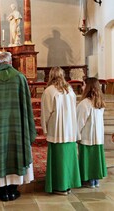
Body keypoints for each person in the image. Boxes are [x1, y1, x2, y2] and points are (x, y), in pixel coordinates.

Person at [0, 52, 36, 201]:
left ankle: (2, 189)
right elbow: (27, 101)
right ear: (10, 62)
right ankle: (13, 190)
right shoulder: (20, 78)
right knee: (16, 151)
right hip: (17, 125)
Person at [41, 66, 81, 195]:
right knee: (68, 158)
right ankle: (69, 184)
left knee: (58, 159)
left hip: (57, 129)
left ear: (50, 76)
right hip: (69, 129)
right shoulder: (70, 89)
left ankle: (60, 186)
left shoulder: (49, 91)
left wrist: (44, 127)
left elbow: (46, 112)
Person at [77, 77, 107, 188]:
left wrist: (76, 135)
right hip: (97, 137)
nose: (82, 87)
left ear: (88, 87)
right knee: (95, 159)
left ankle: (87, 180)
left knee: (87, 159)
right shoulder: (99, 102)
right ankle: (95, 181)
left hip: (87, 136)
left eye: (84, 85)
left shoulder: (84, 103)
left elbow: (79, 122)